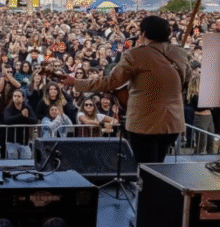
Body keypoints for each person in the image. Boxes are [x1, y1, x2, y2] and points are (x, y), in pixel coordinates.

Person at [62, 15, 191, 165]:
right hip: (172, 122)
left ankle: (148, 188)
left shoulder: (136, 54)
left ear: (143, 33)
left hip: (144, 122)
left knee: (144, 167)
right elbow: (186, 79)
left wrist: (76, 83)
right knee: (159, 166)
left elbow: (111, 82)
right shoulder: (180, 53)